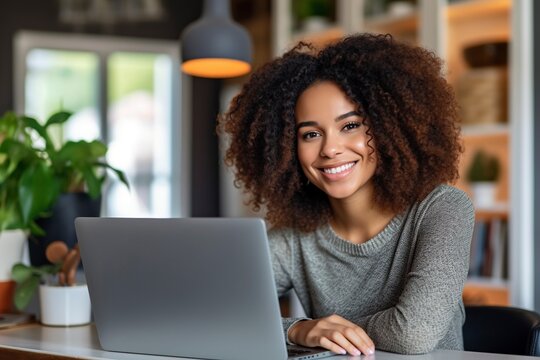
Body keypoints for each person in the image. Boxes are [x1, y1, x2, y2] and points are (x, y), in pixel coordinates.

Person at [219, 33, 474, 356]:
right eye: (310, 134)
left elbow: (414, 332)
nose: (330, 149)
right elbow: (218, 312)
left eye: (350, 125)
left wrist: (323, 329)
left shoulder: (442, 209)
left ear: (389, 126)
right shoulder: (295, 238)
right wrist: (300, 329)